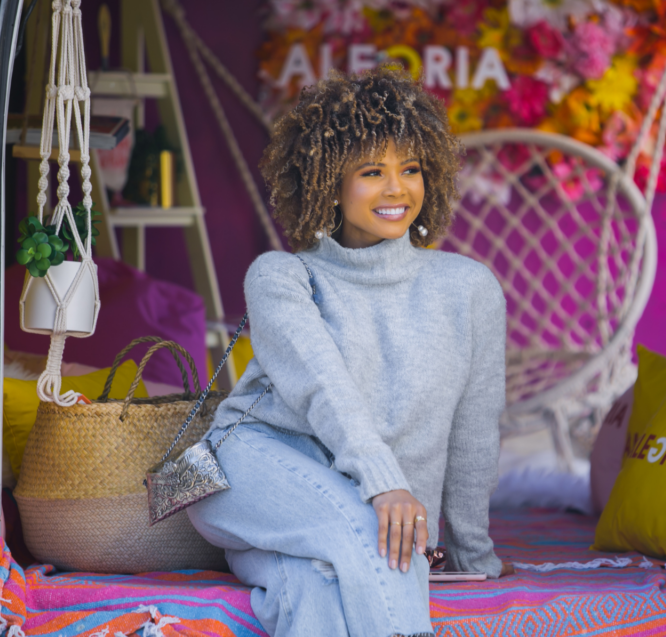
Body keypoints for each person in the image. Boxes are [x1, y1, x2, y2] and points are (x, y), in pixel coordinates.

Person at [187, 67, 512, 637]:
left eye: (410, 169)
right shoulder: (282, 277)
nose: (397, 189)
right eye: (372, 172)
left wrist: (471, 554)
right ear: (327, 181)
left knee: (313, 581)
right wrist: (386, 485)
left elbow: (473, 434)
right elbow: (324, 387)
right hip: (250, 471)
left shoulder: (469, 288)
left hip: (355, 511)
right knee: (381, 539)